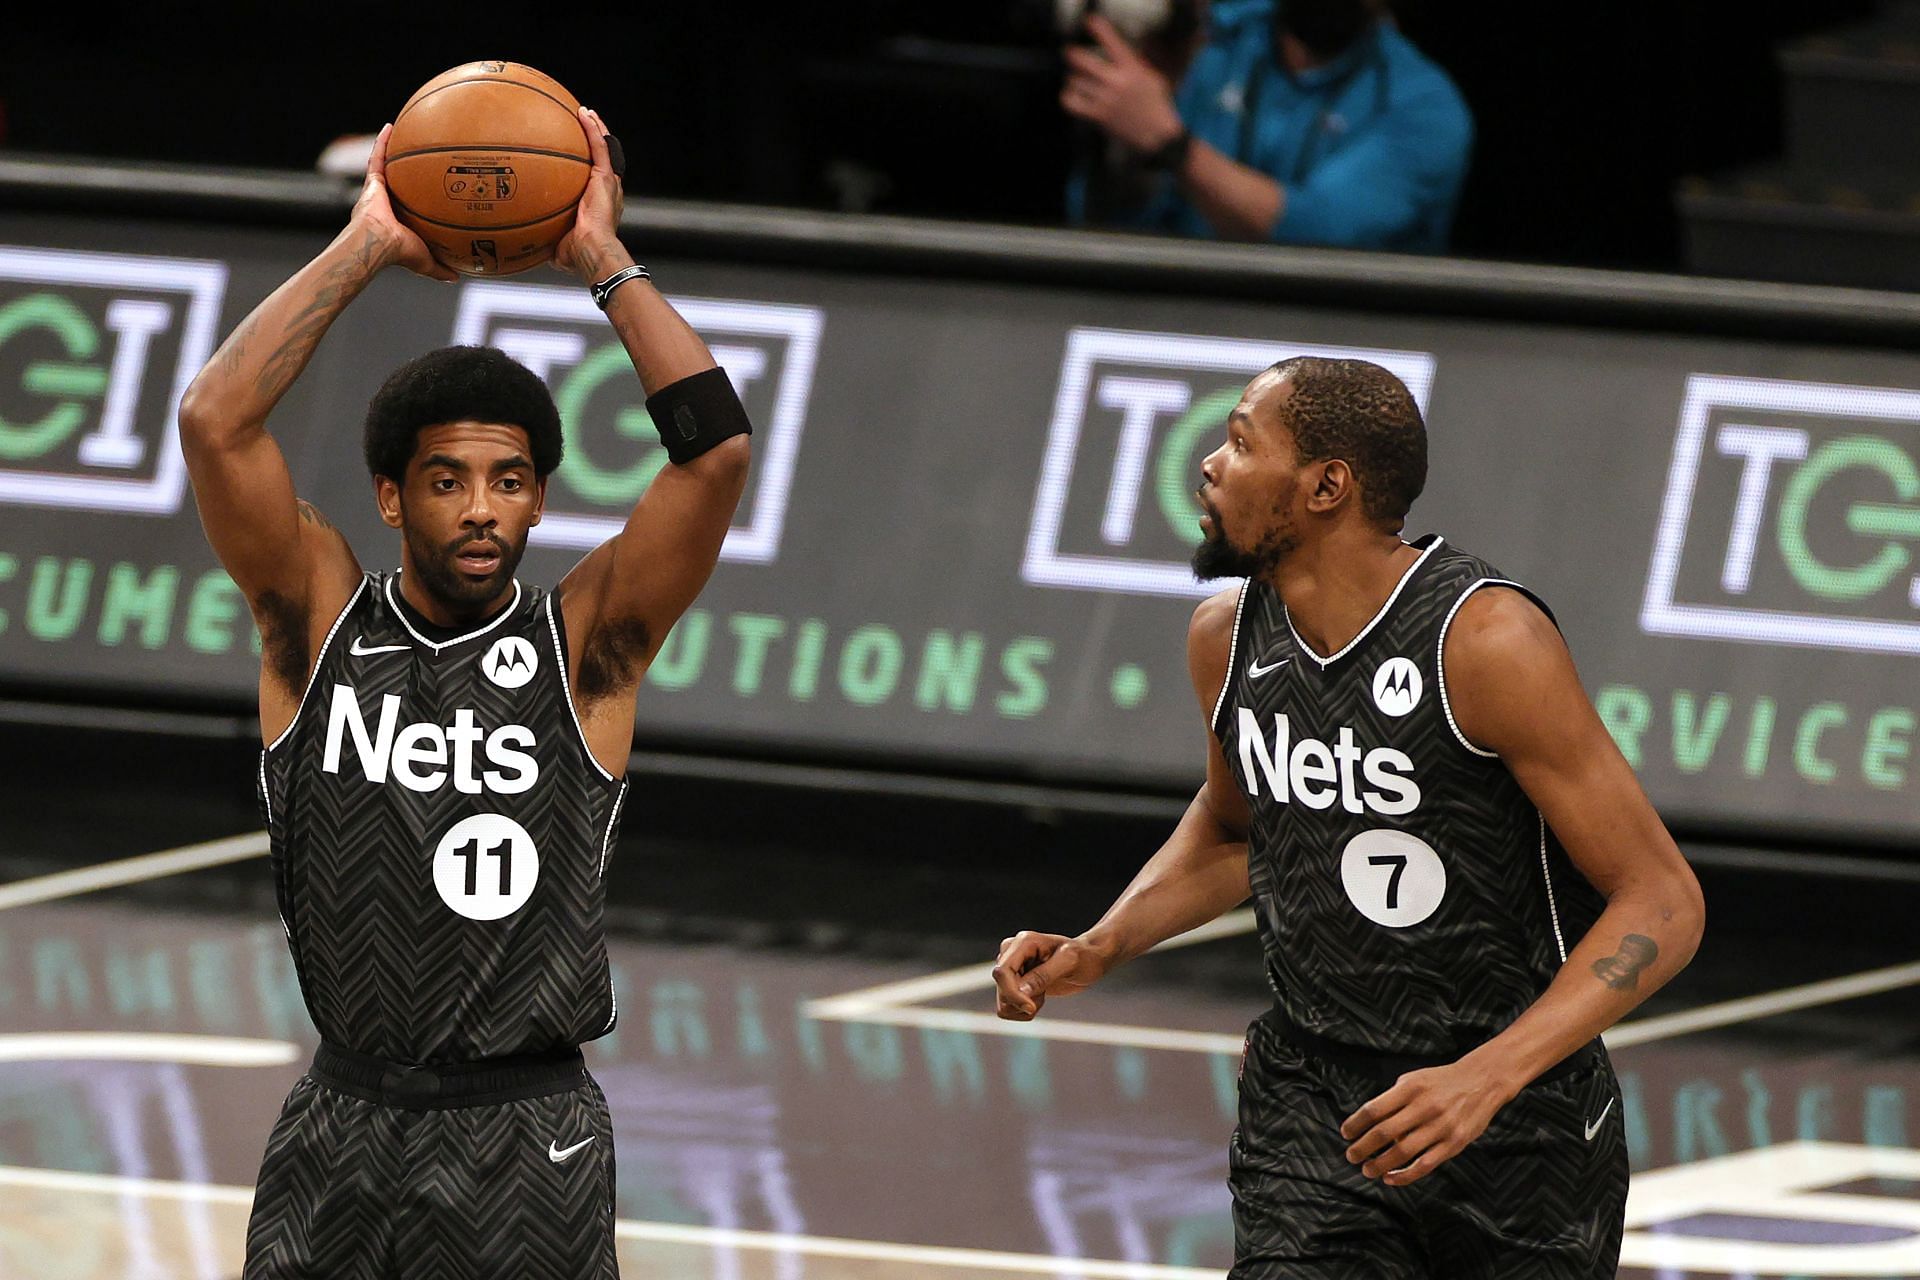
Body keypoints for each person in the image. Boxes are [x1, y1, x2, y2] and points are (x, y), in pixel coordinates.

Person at [178, 109, 751, 1278]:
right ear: (393, 499)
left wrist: (599, 252)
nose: (481, 508)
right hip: (339, 1118)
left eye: (508, 480)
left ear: (541, 499)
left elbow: (716, 454)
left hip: (522, 1133)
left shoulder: (587, 645)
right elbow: (213, 420)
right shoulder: (317, 622)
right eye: (447, 481)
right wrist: (368, 241)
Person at [992, 358, 1704, 1277]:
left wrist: (1486, 1075)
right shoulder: (1227, 637)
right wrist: (1103, 943)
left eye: (1243, 442)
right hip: (1311, 1101)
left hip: (1513, 1116)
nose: (1210, 464)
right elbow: (1239, 829)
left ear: (1328, 486)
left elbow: (1663, 900)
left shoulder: (1483, 642)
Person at [1062, 0, 1473, 251]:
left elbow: (1318, 237)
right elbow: (1116, 217)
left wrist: (1170, 144)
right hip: (1182, 310)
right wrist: (1127, 152)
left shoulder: (1425, 107)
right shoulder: (1214, 40)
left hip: (1331, 349)